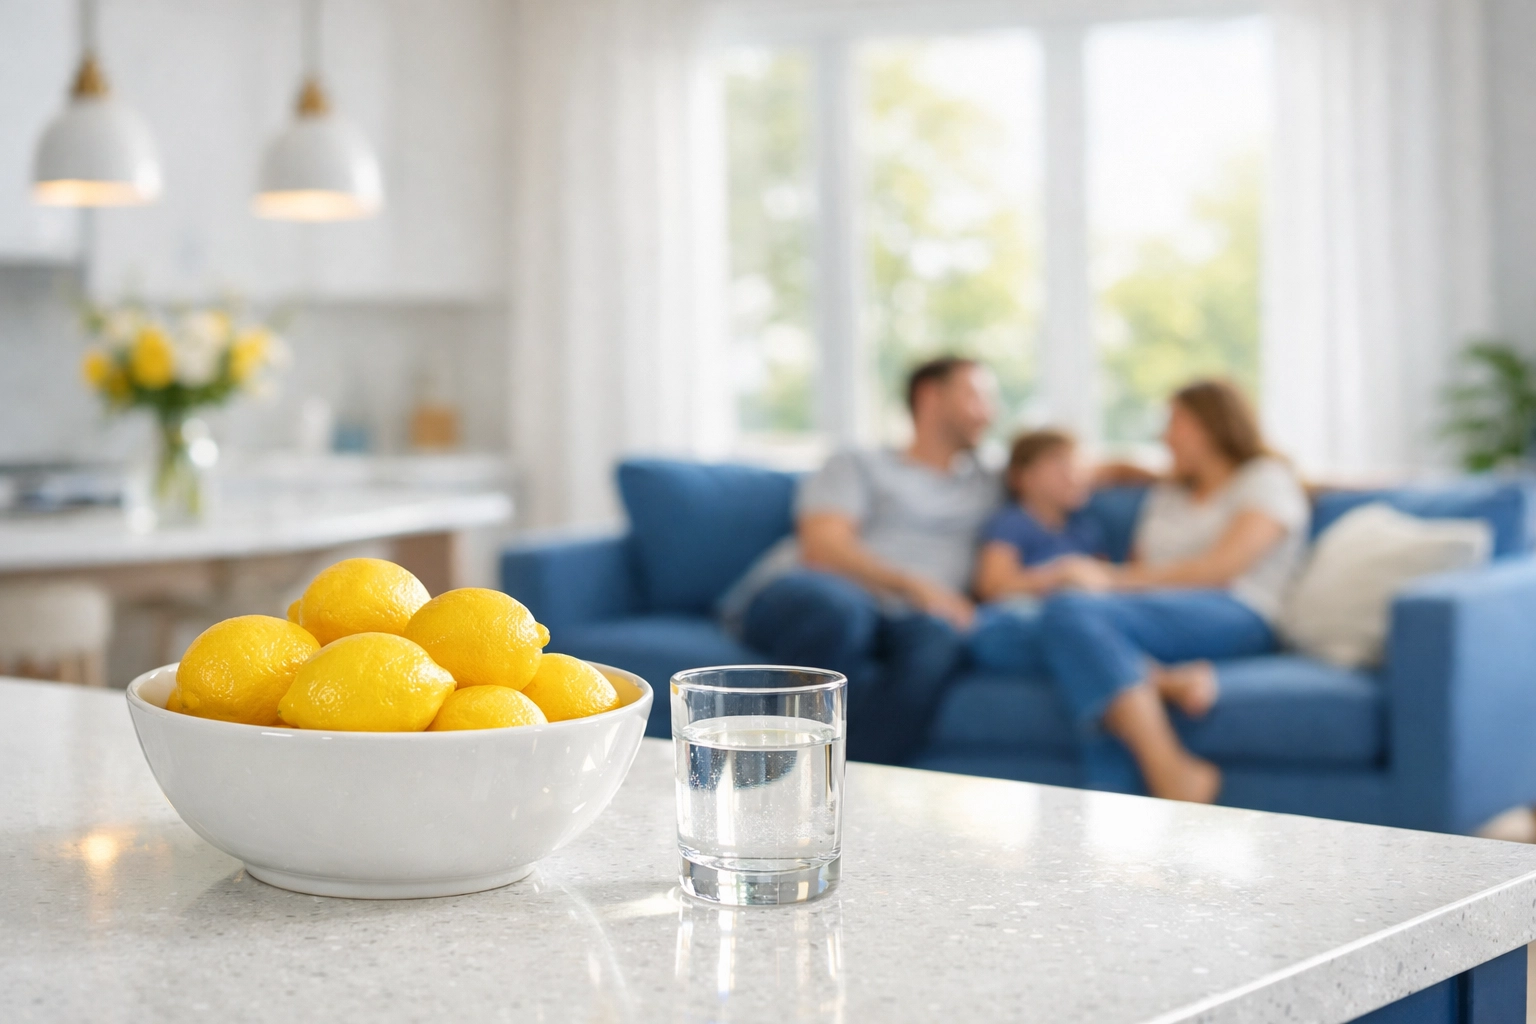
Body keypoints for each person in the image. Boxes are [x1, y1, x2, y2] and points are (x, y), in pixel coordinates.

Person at [1036, 379, 1309, 804]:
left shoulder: (1265, 479)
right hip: (1154, 616)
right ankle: (1160, 683)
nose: (1164, 436)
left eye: (1174, 423)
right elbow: (1145, 566)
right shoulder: (1168, 492)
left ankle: (1166, 772)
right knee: (1024, 631)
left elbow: (1221, 569)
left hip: (1237, 610)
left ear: (1211, 426)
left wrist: (1106, 579)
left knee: (1070, 615)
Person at [727, 355, 1001, 764]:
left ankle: (850, 782)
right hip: (813, 589)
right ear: (929, 396)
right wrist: (915, 584)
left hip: (906, 617)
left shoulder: (987, 482)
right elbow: (823, 546)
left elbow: (1077, 469)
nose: (990, 413)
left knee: (939, 640)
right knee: (842, 613)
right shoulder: (859, 463)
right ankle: (768, 773)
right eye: (976, 397)